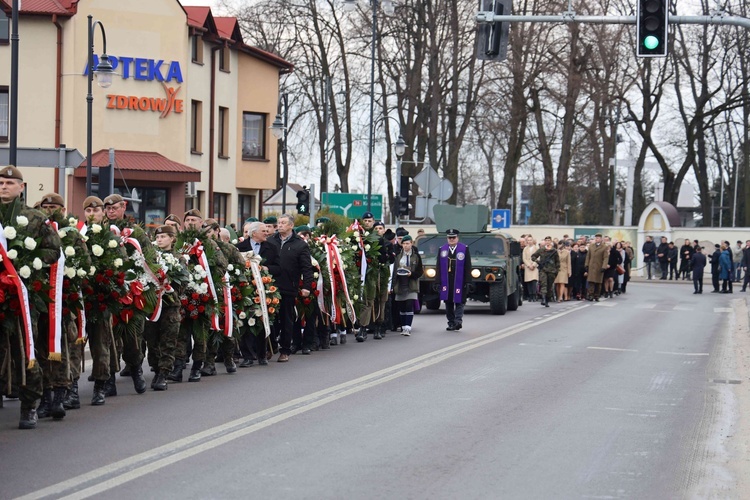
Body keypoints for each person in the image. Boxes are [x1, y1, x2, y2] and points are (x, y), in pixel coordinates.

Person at [0, 165, 62, 429]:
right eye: (1, 182)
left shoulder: (34, 218)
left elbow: (54, 251)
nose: (4, 186)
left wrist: (28, 263)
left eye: (9, 183)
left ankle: (29, 406)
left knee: (26, 350)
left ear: (21, 187)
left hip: (23, 296)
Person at [143, 225, 188, 390]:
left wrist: (169, 285)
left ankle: (163, 374)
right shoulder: (151, 257)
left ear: (172, 238)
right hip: (152, 307)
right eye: (158, 237)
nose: (160, 240)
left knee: (168, 341)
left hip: (170, 306)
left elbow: (183, 282)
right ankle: (156, 369)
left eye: (163, 237)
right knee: (152, 341)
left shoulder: (179, 259)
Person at [268, 214, 314, 362]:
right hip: (270, 286)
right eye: (278, 223)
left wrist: (307, 286)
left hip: (289, 287)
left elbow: (307, 268)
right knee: (270, 319)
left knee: (286, 319)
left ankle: (285, 350)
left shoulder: (300, 244)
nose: (279, 225)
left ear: (291, 226)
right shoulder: (270, 241)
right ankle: (272, 345)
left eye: (283, 223)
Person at [236, 221, 281, 365]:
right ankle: (248, 356)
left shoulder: (271, 247)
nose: (267, 232)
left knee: (262, 321)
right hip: (245, 288)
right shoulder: (239, 248)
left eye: (267, 230)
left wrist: (266, 269)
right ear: (253, 233)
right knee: (243, 321)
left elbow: (279, 268)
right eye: (263, 230)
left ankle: (262, 355)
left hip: (264, 289)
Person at [435, 229, 472, 331]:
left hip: (460, 281)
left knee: (459, 302)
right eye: (449, 238)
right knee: (448, 302)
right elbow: (438, 266)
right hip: (446, 281)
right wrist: (437, 281)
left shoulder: (464, 249)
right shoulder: (442, 249)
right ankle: (451, 322)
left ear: (457, 238)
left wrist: (468, 281)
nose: (451, 239)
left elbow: (468, 266)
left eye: (453, 237)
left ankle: (458, 321)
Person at [392, 235, 423, 335]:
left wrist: (412, 274)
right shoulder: (398, 256)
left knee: (409, 305)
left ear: (411, 244)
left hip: (411, 284)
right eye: (404, 244)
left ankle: (408, 327)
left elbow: (420, 271)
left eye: (408, 243)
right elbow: (393, 270)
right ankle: (403, 326)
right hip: (400, 284)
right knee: (402, 306)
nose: (406, 246)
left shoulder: (416, 256)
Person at [531, 239, 560, 307]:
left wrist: (557, 270)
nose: (548, 242)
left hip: (552, 271)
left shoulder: (554, 251)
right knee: (544, 284)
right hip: (543, 270)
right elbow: (533, 256)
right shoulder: (541, 250)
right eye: (546, 241)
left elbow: (557, 261)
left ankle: (547, 300)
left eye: (549, 241)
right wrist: (538, 262)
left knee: (549, 286)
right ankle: (543, 299)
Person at [584, 233, 609, 301]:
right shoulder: (591, 246)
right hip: (591, 266)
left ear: (601, 239)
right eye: (596, 238)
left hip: (599, 266)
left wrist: (604, 267)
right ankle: (590, 295)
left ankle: (597, 295)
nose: (596, 239)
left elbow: (605, 258)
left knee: (598, 282)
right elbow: (588, 256)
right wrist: (586, 265)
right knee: (591, 282)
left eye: (598, 238)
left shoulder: (604, 247)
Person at [522, 235, 539, 301]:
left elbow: (538, 257)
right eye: (528, 240)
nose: (529, 241)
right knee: (528, 282)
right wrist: (528, 265)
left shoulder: (536, 248)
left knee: (534, 281)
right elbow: (524, 258)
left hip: (534, 266)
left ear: (533, 241)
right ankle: (530, 295)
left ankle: (534, 295)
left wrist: (534, 265)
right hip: (528, 266)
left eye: (530, 240)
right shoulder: (525, 249)